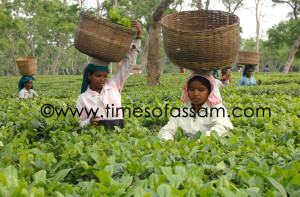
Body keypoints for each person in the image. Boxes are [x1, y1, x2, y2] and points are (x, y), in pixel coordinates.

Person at [76, 20, 142, 130]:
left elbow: (130, 64)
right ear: (89, 76)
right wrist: (89, 121)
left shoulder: (114, 84)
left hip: (119, 134)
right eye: (98, 76)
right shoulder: (82, 99)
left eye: (105, 76)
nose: (102, 79)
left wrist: (138, 37)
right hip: (98, 139)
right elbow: (80, 123)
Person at [158, 73, 233, 141]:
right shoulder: (179, 113)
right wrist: (168, 141)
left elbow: (222, 128)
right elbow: (166, 130)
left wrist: (202, 140)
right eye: (191, 89)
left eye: (201, 90)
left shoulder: (217, 110)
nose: (195, 93)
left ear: (209, 92)